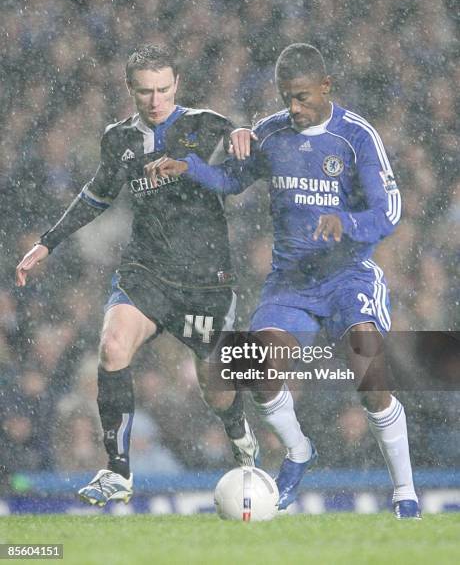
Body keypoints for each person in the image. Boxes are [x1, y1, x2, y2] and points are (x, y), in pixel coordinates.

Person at [149, 43, 421, 518]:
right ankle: (299, 452)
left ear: (326, 86)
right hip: (290, 283)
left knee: (369, 374)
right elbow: (233, 180)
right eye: (285, 97)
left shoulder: (356, 137)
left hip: (346, 276)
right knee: (261, 370)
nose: (293, 107)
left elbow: (390, 210)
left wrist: (348, 224)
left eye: (302, 97)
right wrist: (189, 167)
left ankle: (405, 492)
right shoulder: (271, 134)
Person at [15, 44, 261, 507]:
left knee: (217, 387)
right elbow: (96, 195)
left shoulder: (202, 123)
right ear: (130, 90)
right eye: (145, 91)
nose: (155, 100)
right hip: (146, 271)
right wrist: (48, 241)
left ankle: (239, 433)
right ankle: (118, 470)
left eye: (163, 89)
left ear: (177, 85)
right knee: (111, 347)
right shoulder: (118, 139)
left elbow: (241, 143)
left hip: (205, 282)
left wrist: (246, 133)